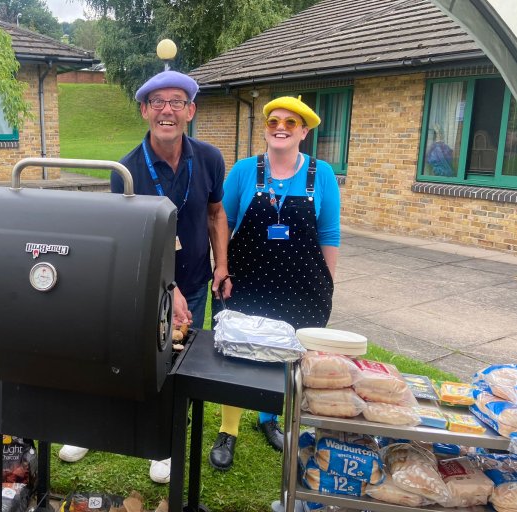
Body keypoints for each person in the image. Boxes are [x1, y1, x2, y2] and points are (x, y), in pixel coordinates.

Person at [58, 70, 233, 484]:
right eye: (157, 102)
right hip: (141, 281)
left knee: (177, 361)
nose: (167, 110)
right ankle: (93, 427)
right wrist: (163, 288)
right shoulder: (126, 169)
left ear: (190, 111)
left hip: (193, 281)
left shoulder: (209, 158)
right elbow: (124, 238)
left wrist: (221, 264)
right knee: (123, 354)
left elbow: (215, 214)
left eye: (176, 102)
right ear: (144, 111)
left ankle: (167, 441)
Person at [208, 96, 340, 471]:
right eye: (273, 122)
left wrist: (327, 282)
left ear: (304, 132)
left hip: (299, 284)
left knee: (285, 354)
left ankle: (269, 419)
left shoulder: (322, 174)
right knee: (236, 350)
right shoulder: (245, 170)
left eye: (290, 123)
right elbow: (223, 221)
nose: (280, 128)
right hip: (246, 281)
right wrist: (222, 268)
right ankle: (227, 431)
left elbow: (329, 233)